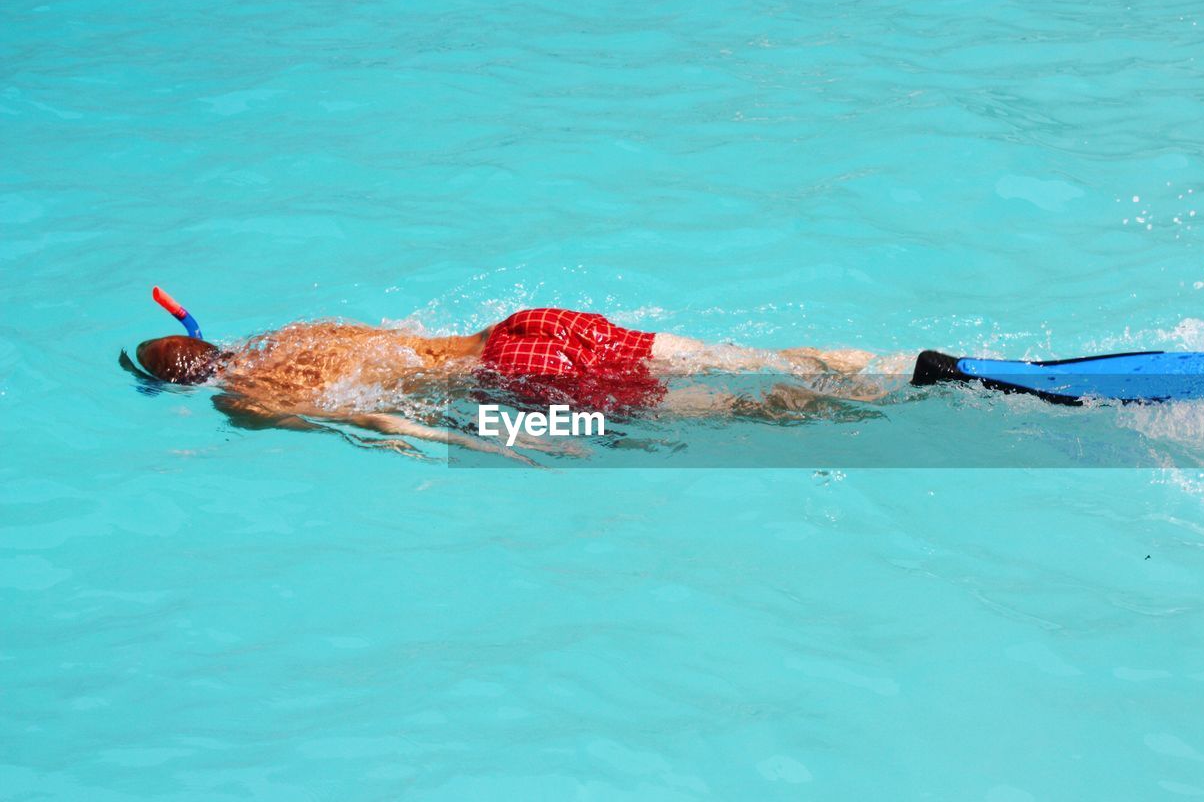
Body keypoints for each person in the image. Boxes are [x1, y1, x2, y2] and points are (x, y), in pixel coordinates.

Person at [133, 307, 880, 455]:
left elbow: (377, 418)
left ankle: (837, 410)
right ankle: (863, 366)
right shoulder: (293, 333)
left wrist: (480, 437)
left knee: (704, 414)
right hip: (521, 327)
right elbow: (405, 342)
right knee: (728, 353)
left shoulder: (248, 396)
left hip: (509, 376)